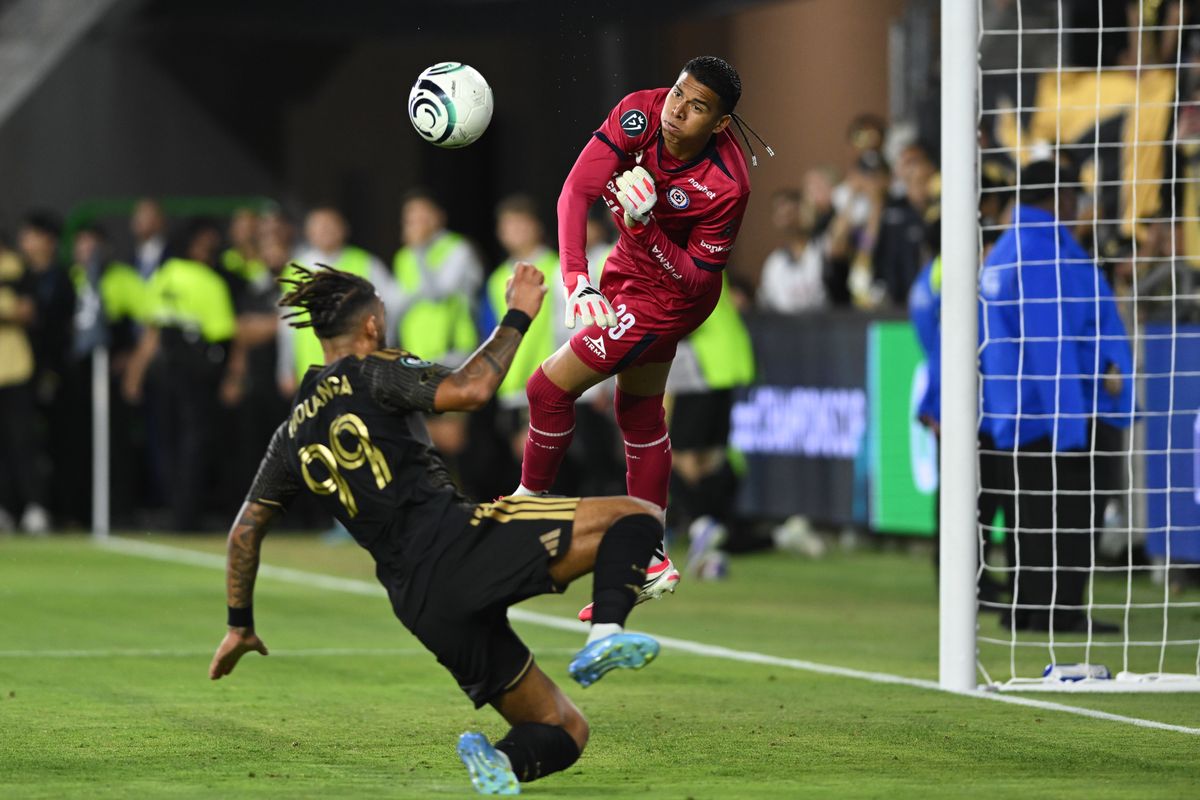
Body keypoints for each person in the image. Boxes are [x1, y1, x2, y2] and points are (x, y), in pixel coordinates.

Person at [208, 264, 664, 796]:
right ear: (373, 326)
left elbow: (244, 531)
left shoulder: (291, 433)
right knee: (637, 517)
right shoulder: (373, 369)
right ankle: (605, 633)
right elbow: (472, 390)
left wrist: (239, 624)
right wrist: (517, 313)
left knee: (564, 728)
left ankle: (498, 761)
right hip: (458, 543)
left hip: (416, 600)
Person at [513, 56, 756, 617]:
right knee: (639, 416)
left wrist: (646, 229)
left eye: (697, 108)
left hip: (673, 297)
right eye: (677, 94)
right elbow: (575, 192)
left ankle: (527, 513)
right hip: (626, 268)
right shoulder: (639, 115)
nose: (677, 112)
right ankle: (648, 559)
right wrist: (577, 280)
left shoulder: (727, 184)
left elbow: (698, 279)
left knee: (546, 392)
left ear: (719, 124)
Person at [979, 158, 1133, 633]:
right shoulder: (1043, 252)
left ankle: (1026, 608)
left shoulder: (1006, 250)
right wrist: (1072, 428)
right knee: (1069, 515)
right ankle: (1060, 610)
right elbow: (1051, 346)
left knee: (1030, 516)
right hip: (1061, 414)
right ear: (1062, 197)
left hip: (1017, 413)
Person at [123, 218, 237, 531]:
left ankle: (175, 509)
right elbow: (224, 333)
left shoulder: (163, 276)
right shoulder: (209, 281)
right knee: (196, 442)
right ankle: (188, 514)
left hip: (165, 373)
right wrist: (230, 376)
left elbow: (152, 333)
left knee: (168, 441)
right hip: (197, 375)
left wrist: (134, 374)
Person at [393, 189, 482, 366]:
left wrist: (418, 250)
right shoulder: (403, 257)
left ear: (438, 217)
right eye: (411, 218)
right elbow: (396, 306)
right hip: (416, 354)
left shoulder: (458, 249)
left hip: (453, 352)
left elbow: (438, 294)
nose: (416, 223)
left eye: (422, 215)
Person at [0, 235, 44, 533]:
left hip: (15, 368)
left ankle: (34, 507)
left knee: (22, 442)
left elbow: (27, 311)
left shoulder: (16, 266)